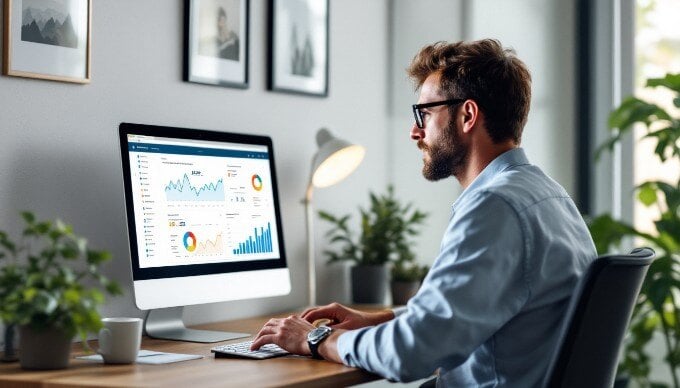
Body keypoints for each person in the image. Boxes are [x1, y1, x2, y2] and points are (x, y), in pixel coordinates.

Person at [251, 39, 597, 387]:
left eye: (425, 114)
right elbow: (463, 318)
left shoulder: (495, 206)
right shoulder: (549, 196)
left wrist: (315, 339)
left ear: (467, 116)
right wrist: (385, 320)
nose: (415, 131)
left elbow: (411, 353)